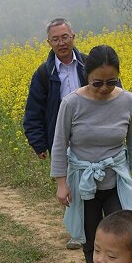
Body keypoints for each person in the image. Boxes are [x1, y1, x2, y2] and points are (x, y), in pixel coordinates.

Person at [50, 44, 132, 263]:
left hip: (116, 180)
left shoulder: (128, 101)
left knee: (124, 239)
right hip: (83, 183)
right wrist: (61, 184)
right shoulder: (71, 103)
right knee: (91, 242)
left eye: (111, 82)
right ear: (87, 76)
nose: (105, 88)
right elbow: (60, 143)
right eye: (98, 82)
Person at [23, 18, 88, 250]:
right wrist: (39, 143)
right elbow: (33, 111)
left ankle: (95, 226)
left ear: (73, 37)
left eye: (65, 37)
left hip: (92, 135)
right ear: (48, 42)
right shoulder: (43, 73)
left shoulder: (89, 65)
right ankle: (76, 232)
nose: (61, 43)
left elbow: (112, 91)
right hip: (61, 138)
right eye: (56, 39)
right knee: (70, 184)